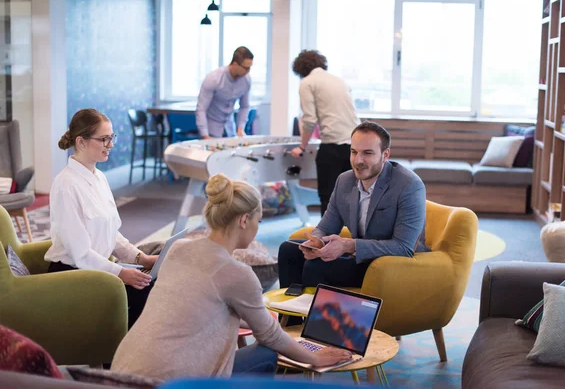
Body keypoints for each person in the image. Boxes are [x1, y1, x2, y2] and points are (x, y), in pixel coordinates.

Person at [111, 173, 352, 379]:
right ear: (244, 220)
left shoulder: (178, 248)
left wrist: (255, 315)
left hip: (122, 370)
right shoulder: (238, 274)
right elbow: (269, 336)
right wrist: (314, 358)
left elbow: (201, 307)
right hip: (172, 381)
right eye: (259, 220)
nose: (258, 227)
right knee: (266, 353)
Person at [278, 121, 428, 310]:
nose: (358, 160)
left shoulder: (409, 185)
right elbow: (326, 226)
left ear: (385, 155)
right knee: (289, 251)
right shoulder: (345, 180)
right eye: (354, 152)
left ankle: (322, 331)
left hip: (390, 264)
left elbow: (404, 247)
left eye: (367, 153)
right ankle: (290, 326)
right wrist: (317, 241)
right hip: (360, 257)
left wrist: (349, 245)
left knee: (316, 267)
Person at [45, 108, 158, 329]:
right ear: (81, 142)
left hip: (98, 268)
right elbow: (81, 254)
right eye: (104, 139)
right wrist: (121, 273)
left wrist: (140, 258)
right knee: (144, 292)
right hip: (73, 275)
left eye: (111, 138)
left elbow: (110, 233)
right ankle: (116, 360)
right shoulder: (65, 185)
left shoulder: (100, 178)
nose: (111, 145)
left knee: (154, 284)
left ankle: (126, 357)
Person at [290, 50, 360, 215]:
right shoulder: (339, 81)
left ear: (300, 69)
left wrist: (302, 146)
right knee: (352, 197)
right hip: (355, 145)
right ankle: (351, 237)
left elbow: (309, 120)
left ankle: (327, 239)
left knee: (328, 197)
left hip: (333, 146)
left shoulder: (307, 82)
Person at [195, 46, 254, 139]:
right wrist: (205, 135)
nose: (247, 72)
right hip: (211, 130)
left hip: (230, 130)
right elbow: (201, 109)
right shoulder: (214, 78)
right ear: (235, 64)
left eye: (249, 68)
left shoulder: (246, 80)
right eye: (245, 68)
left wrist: (240, 128)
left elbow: (245, 106)